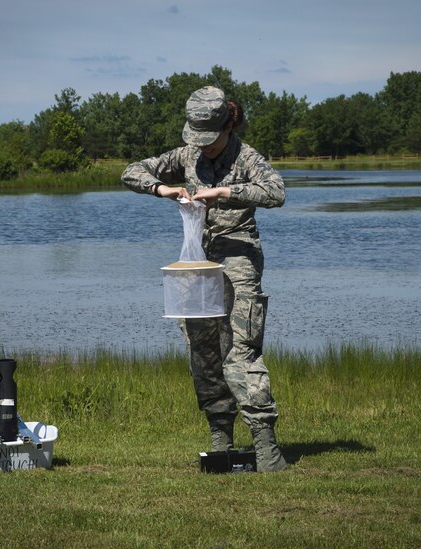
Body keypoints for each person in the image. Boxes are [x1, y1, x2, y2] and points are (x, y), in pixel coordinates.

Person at [121, 86, 287, 472]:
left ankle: (265, 445)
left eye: (210, 140)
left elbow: (276, 192)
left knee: (239, 351)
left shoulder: (247, 158)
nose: (204, 147)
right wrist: (163, 189)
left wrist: (225, 192)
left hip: (239, 259)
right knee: (202, 350)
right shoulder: (186, 155)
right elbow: (131, 171)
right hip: (197, 263)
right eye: (198, 139)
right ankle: (220, 436)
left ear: (228, 126)